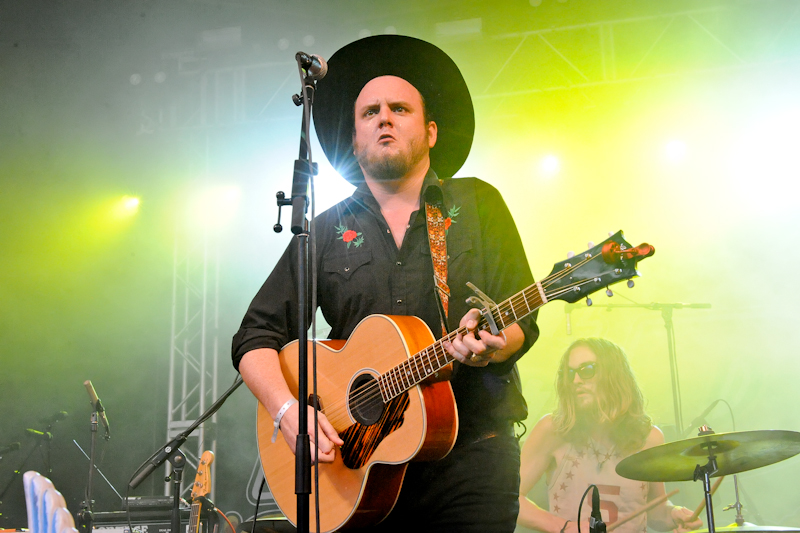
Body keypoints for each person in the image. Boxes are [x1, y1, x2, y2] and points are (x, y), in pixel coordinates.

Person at [232, 35, 539, 532]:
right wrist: (287, 410)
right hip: (358, 471)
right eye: (369, 112)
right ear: (354, 139)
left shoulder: (478, 204)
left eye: (400, 108)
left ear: (432, 131)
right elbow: (255, 337)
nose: (384, 118)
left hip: (471, 459)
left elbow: (522, 315)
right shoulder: (325, 229)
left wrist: (497, 346)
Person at [517, 338, 703, 533]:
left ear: (614, 376)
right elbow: (509, 497)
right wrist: (563, 527)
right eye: (569, 373)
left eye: (586, 370)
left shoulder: (649, 438)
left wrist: (673, 515)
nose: (576, 381)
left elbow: (655, 511)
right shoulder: (554, 429)